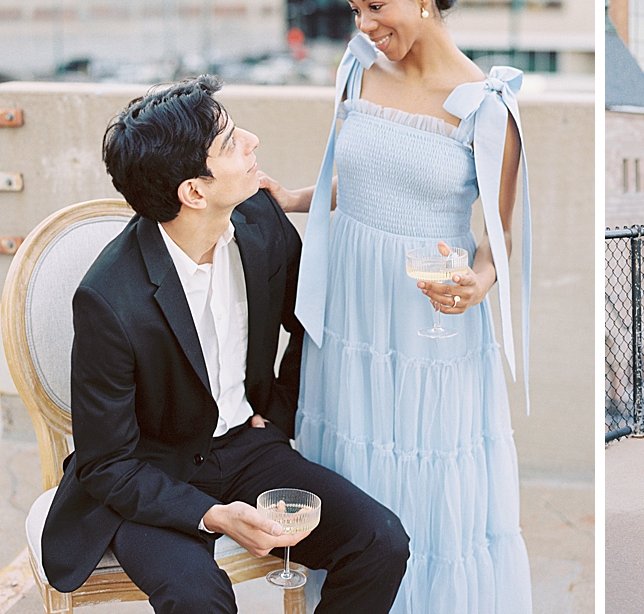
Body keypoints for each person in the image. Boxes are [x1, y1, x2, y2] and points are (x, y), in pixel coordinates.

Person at [41, 78, 409, 613]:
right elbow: (107, 465)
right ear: (194, 191)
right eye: (232, 141)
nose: (253, 141)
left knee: (379, 541)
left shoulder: (260, 220)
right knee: (198, 597)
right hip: (149, 473)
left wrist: (278, 413)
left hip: (247, 447)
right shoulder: (108, 299)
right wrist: (213, 514)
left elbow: (309, 319)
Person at [259, 0, 533, 613]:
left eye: (376, 6)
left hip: (424, 321)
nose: (365, 24)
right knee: (351, 458)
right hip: (347, 304)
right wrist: (293, 198)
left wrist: (479, 285)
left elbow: (503, 239)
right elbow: (352, 175)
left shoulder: (486, 103)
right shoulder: (356, 69)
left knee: (422, 463)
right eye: (356, 10)